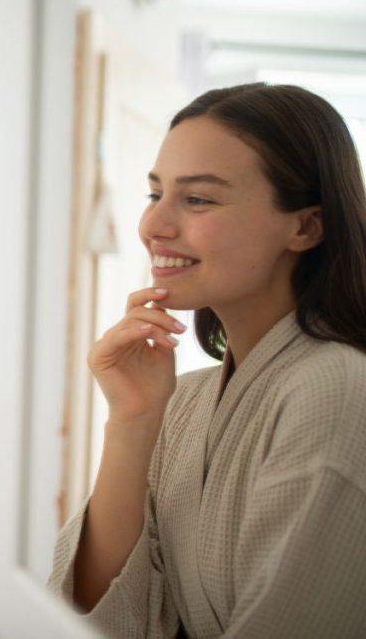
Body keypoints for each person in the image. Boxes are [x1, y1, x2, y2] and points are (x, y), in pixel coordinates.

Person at [48, 83, 366, 637]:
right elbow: (105, 622)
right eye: (155, 194)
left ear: (306, 225)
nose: (153, 227)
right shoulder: (187, 401)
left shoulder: (335, 389)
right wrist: (132, 422)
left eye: (197, 199)